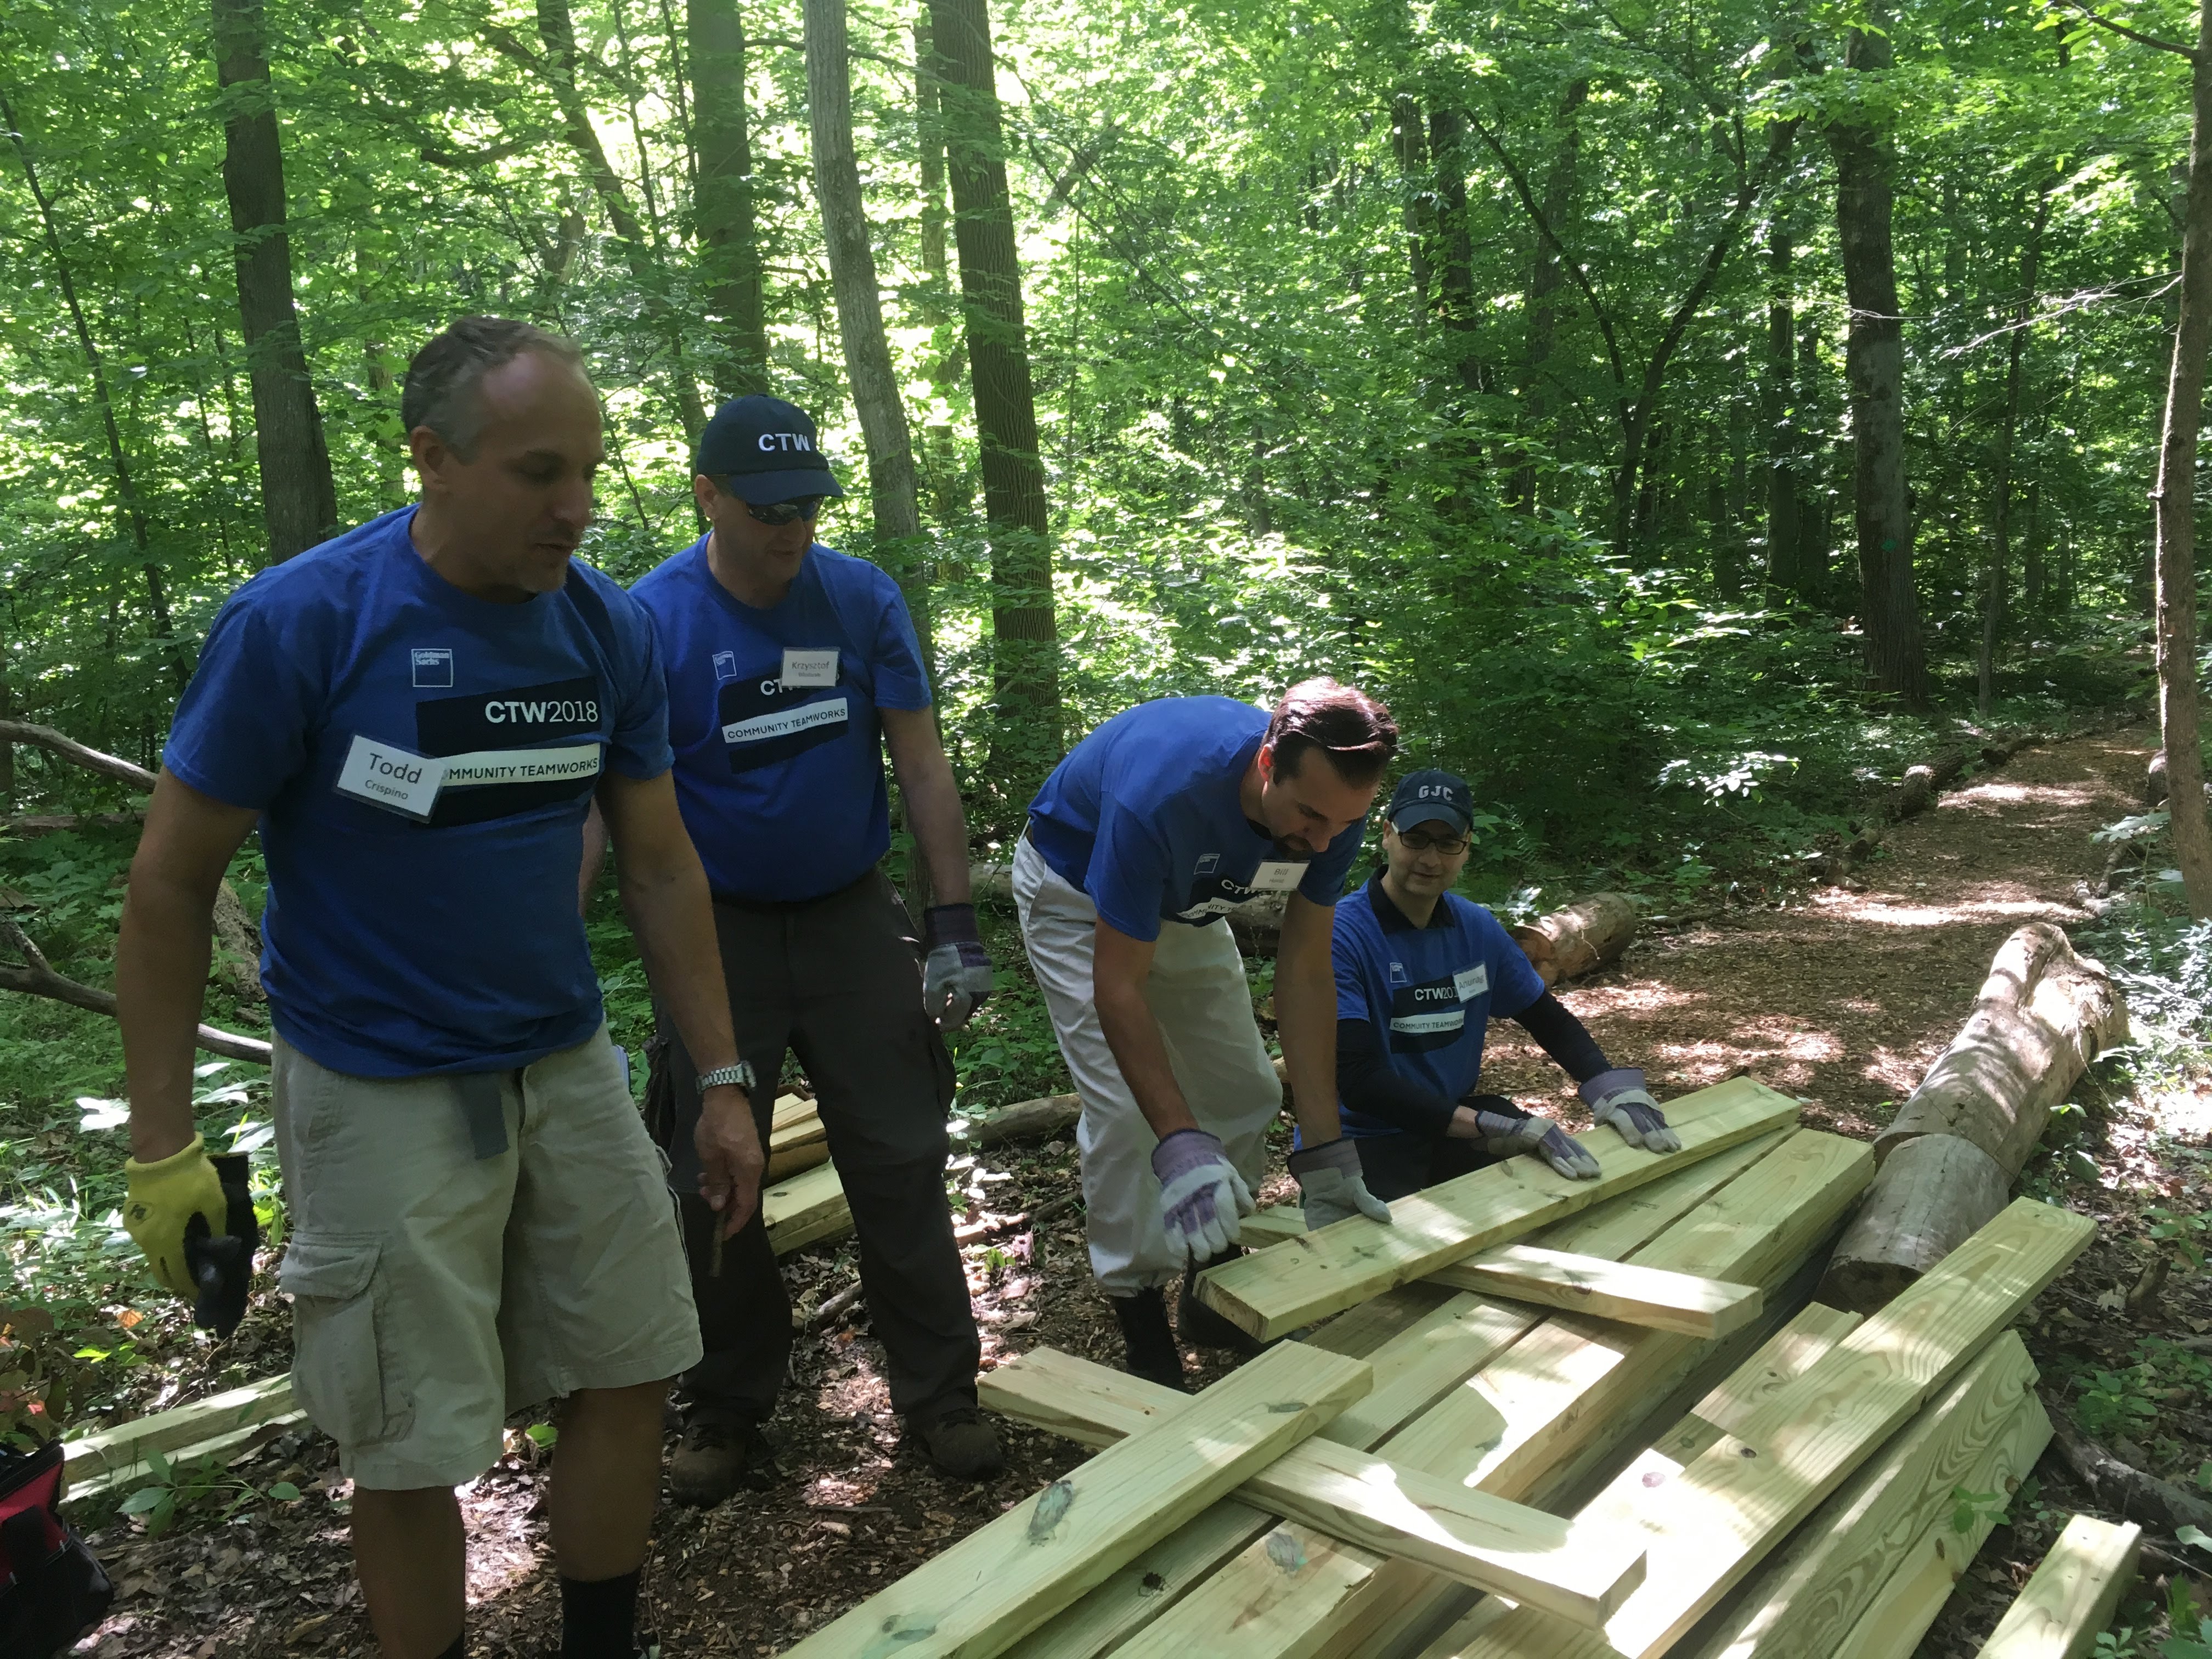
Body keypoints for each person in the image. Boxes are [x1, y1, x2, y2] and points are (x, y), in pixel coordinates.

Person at [115, 317, 763, 1659]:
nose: (576, 509)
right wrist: (162, 1144)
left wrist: (722, 1079)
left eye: (588, 470)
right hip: (377, 1083)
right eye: (538, 473)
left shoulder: (604, 628)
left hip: (560, 1060)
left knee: (635, 1362)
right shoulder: (304, 624)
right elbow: (173, 882)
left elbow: (658, 867)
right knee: (407, 1444)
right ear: (432, 460)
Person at [584, 393, 1000, 1499]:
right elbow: (606, 812)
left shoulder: (859, 599)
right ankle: (727, 1401)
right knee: (711, 1172)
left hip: (851, 915)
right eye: (766, 508)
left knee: (903, 1153)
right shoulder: (651, 623)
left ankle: (939, 1390)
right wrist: (549, 951)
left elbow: (919, 763)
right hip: (714, 933)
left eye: (808, 505)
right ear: (707, 496)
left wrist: (951, 921)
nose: (790, 529)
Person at [1014, 681, 1400, 1390]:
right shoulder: (1162, 796)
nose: (1324, 840)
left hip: (1188, 905)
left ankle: (1211, 1286)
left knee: (1246, 1090)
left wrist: (1324, 1145)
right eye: (1311, 815)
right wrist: (1178, 1139)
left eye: (1346, 822)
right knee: (1131, 1116)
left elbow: (1308, 971)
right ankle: (1138, 1310)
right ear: (1265, 765)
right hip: (1076, 895)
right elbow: (1119, 985)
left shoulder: (1332, 819)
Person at [1323, 769, 1679, 1209]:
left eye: (1447, 843)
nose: (1430, 860)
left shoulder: (1475, 927)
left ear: (1467, 847)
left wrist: (1608, 1086)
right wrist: (1488, 1124)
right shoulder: (1341, 934)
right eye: (1416, 839)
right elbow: (1358, 1080)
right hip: (1367, 1135)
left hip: (1451, 1121)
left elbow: (1546, 1018)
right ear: (1387, 836)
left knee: (1562, 1203)